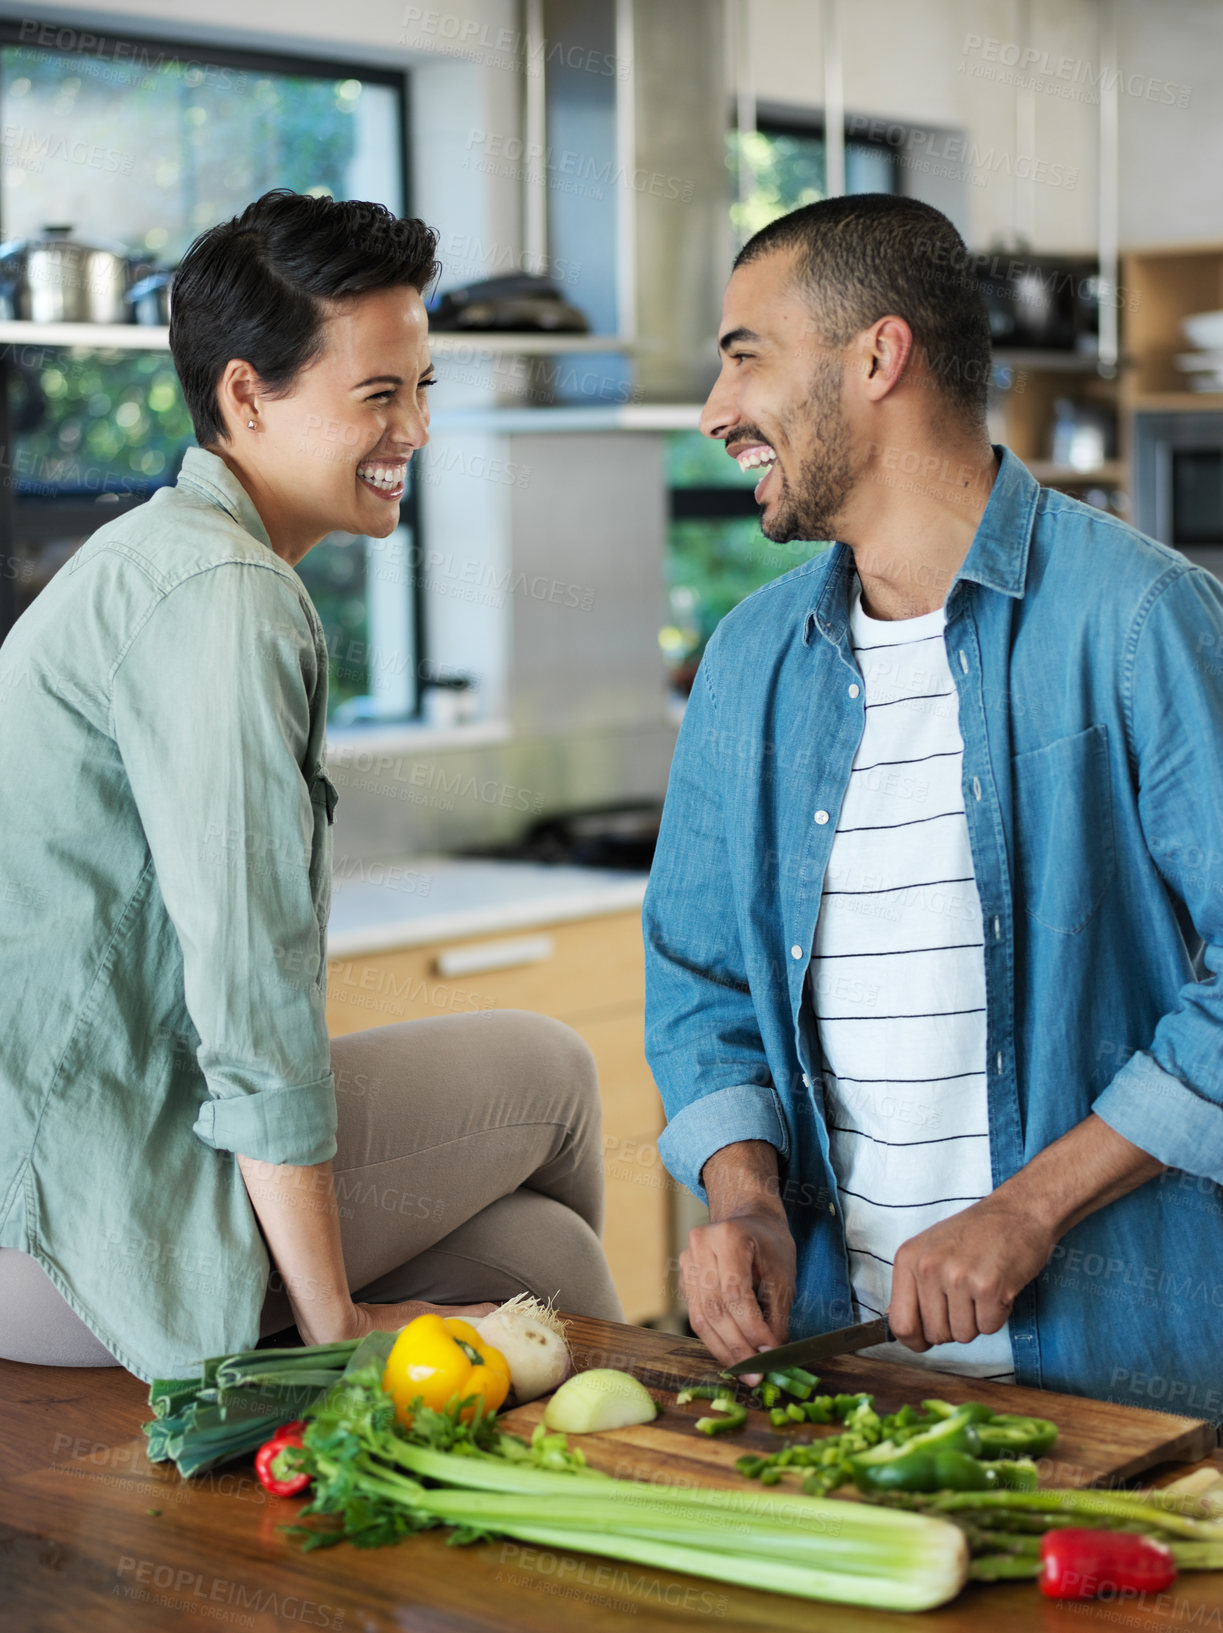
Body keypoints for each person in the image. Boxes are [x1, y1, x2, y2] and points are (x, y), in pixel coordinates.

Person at [0, 189, 622, 1382]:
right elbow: (249, 989)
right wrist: (332, 1321)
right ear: (247, 396)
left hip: (82, 1171)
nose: (417, 432)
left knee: (535, 1259)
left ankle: (569, 1490)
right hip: (68, 1213)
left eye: (423, 386)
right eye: (380, 395)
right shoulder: (222, 594)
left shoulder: (162, 556)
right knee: (551, 1072)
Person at [644, 193, 1223, 1408]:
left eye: (743, 357)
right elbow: (698, 980)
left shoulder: (1133, 623)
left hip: (1120, 1381)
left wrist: (1024, 1212)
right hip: (839, 1379)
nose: (716, 413)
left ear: (876, 356)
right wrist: (743, 1198)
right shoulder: (748, 661)